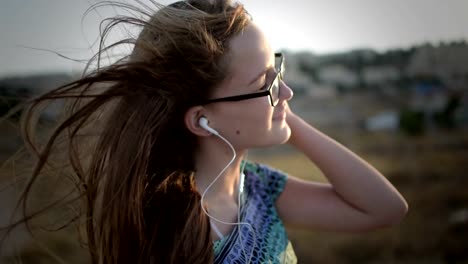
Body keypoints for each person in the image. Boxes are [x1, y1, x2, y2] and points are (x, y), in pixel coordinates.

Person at [2, 0, 408, 263]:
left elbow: (384, 209)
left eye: (278, 70)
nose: (288, 90)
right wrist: (273, 106)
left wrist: (278, 106)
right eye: (265, 83)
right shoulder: (168, 229)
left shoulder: (257, 189)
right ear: (200, 121)